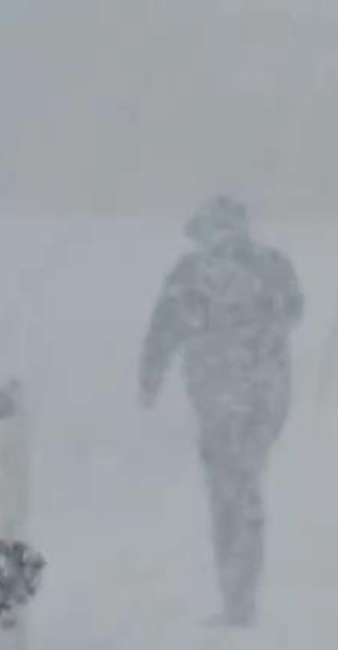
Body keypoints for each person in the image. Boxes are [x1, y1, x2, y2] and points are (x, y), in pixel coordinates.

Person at [139, 195, 304, 626]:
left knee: (226, 494)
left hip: (218, 399)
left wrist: (149, 382)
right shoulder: (272, 266)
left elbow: (162, 330)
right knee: (246, 484)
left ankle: (237, 597)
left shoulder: (191, 272)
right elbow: (294, 311)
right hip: (266, 398)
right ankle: (241, 594)